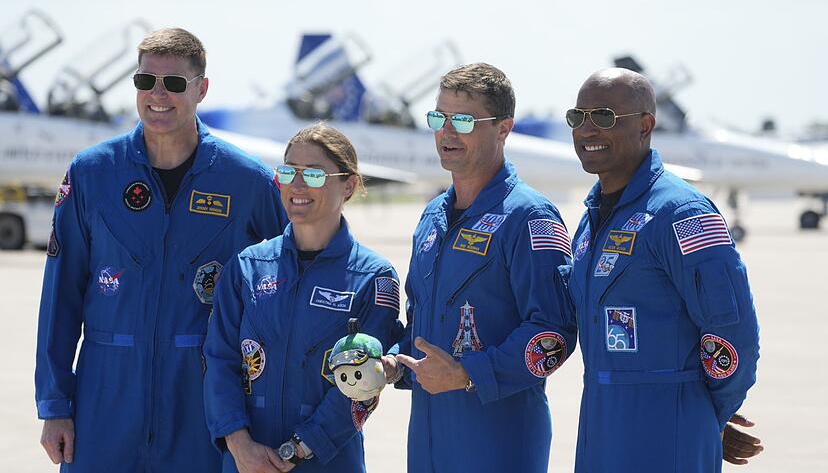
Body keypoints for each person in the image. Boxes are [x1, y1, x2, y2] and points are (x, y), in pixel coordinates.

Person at [35, 28, 288, 472]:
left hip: (205, 401)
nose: (157, 95)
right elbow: (61, 295)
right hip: (104, 399)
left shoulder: (246, 182)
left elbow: (281, 294)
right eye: (144, 81)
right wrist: (55, 404)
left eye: (173, 83)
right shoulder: (93, 174)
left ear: (201, 89)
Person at [565, 68, 761, 472]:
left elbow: (732, 330)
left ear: (646, 125)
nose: (586, 130)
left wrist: (706, 415)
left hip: (668, 431)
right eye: (577, 117)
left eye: (602, 117)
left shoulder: (681, 213)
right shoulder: (591, 220)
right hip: (600, 425)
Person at [389, 63, 577, 472]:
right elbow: (422, 324)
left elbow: (554, 332)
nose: (447, 131)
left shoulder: (530, 217)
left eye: (464, 119)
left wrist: (466, 374)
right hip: (428, 442)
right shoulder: (431, 218)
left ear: (504, 128)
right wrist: (391, 364)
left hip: (498, 442)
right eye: (439, 117)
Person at [203, 123, 403, 473]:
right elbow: (219, 359)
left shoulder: (374, 277)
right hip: (245, 462)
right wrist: (239, 444)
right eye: (288, 172)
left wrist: (296, 451)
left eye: (313, 174)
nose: (296, 185)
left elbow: (364, 384)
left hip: (326, 461)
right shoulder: (247, 267)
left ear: (350, 184)